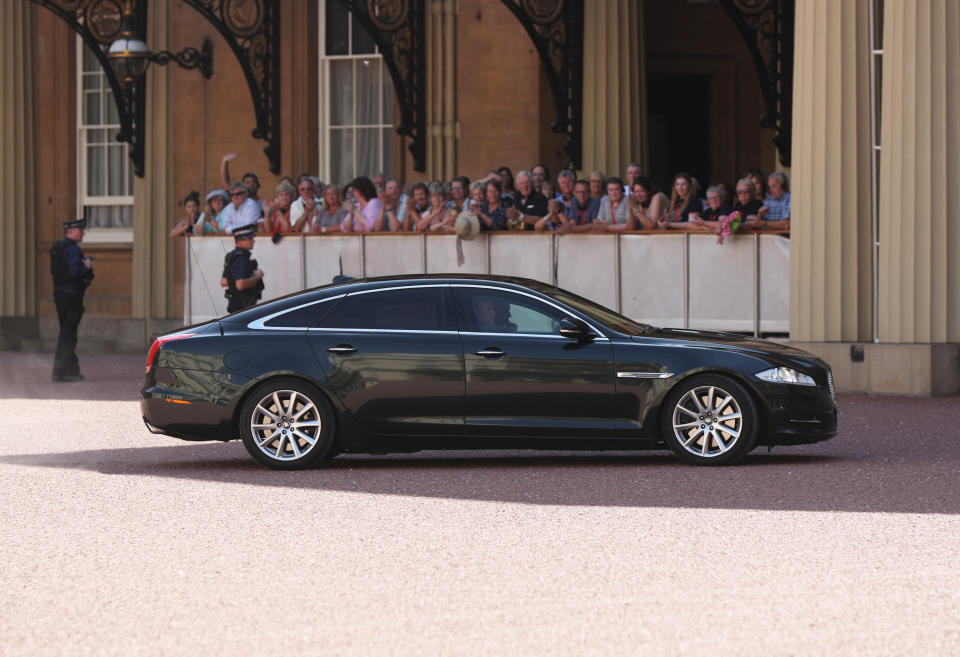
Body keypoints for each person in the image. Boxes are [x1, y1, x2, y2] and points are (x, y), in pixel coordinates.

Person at [50, 218, 94, 382]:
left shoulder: (57, 247)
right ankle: (62, 372)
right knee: (68, 335)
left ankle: (69, 370)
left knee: (66, 332)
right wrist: (87, 266)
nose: (82, 233)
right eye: (80, 230)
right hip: (72, 296)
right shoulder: (73, 249)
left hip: (60, 295)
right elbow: (75, 272)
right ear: (71, 232)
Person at [221, 222, 264, 313]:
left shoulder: (231, 256)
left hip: (235, 306)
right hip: (243, 307)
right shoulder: (241, 258)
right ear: (240, 241)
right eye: (250, 238)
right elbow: (240, 285)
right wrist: (257, 277)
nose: (253, 241)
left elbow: (224, 281)